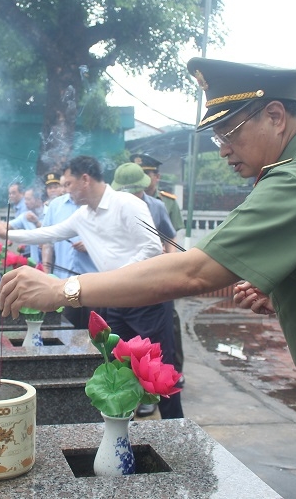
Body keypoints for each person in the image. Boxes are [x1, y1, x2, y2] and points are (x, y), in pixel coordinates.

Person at [0, 58, 296, 498]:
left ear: (275, 116)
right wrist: (292, 295)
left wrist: (65, 289)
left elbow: (196, 270)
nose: (224, 149)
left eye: (229, 132)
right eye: (217, 137)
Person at [0, 155, 183, 419]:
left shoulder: (127, 204)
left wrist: (116, 277)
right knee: (115, 367)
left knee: (160, 370)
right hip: (116, 300)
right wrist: (8, 233)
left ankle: (177, 429)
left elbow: (151, 248)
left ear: (85, 180)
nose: (65, 189)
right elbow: (50, 233)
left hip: (147, 299)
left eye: (68, 183)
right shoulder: (83, 216)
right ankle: (120, 428)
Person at [111, 161, 179, 416]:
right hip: (119, 295)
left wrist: (169, 263)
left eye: (135, 191)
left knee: (162, 362)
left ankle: (175, 424)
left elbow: (169, 240)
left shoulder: (157, 206)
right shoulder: (111, 212)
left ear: (144, 188)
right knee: (118, 361)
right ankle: (120, 418)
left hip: (152, 295)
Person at [128, 156, 187, 384]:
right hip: (136, 275)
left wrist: (169, 263)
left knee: (168, 324)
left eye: (148, 174)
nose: (143, 179)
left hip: (161, 272)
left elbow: (172, 236)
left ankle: (174, 371)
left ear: (156, 177)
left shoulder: (164, 203)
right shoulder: (123, 202)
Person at [41, 175, 98, 329]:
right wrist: (46, 273)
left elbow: (111, 238)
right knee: (65, 331)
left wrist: (90, 244)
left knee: (95, 334)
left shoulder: (96, 203)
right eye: (65, 184)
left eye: (69, 183)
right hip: (64, 283)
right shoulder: (55, 206)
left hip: (94, 283)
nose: (66, 188)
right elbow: (47, 242)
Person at [131, 154, 184, 232]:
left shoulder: (169, 202)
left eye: (146, 174)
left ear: (157, 177)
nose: (142, 178)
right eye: (138, 174)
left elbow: (173, 233)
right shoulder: (127, 200)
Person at [3, 187, 44, 263]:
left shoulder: (49, 212)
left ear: (38, 199)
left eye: (28, 199)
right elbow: (8, 225)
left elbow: (49, 232)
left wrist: (36, 222)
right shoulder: (26, 215)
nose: (25, 202)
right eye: (25, 199)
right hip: (36, 263)